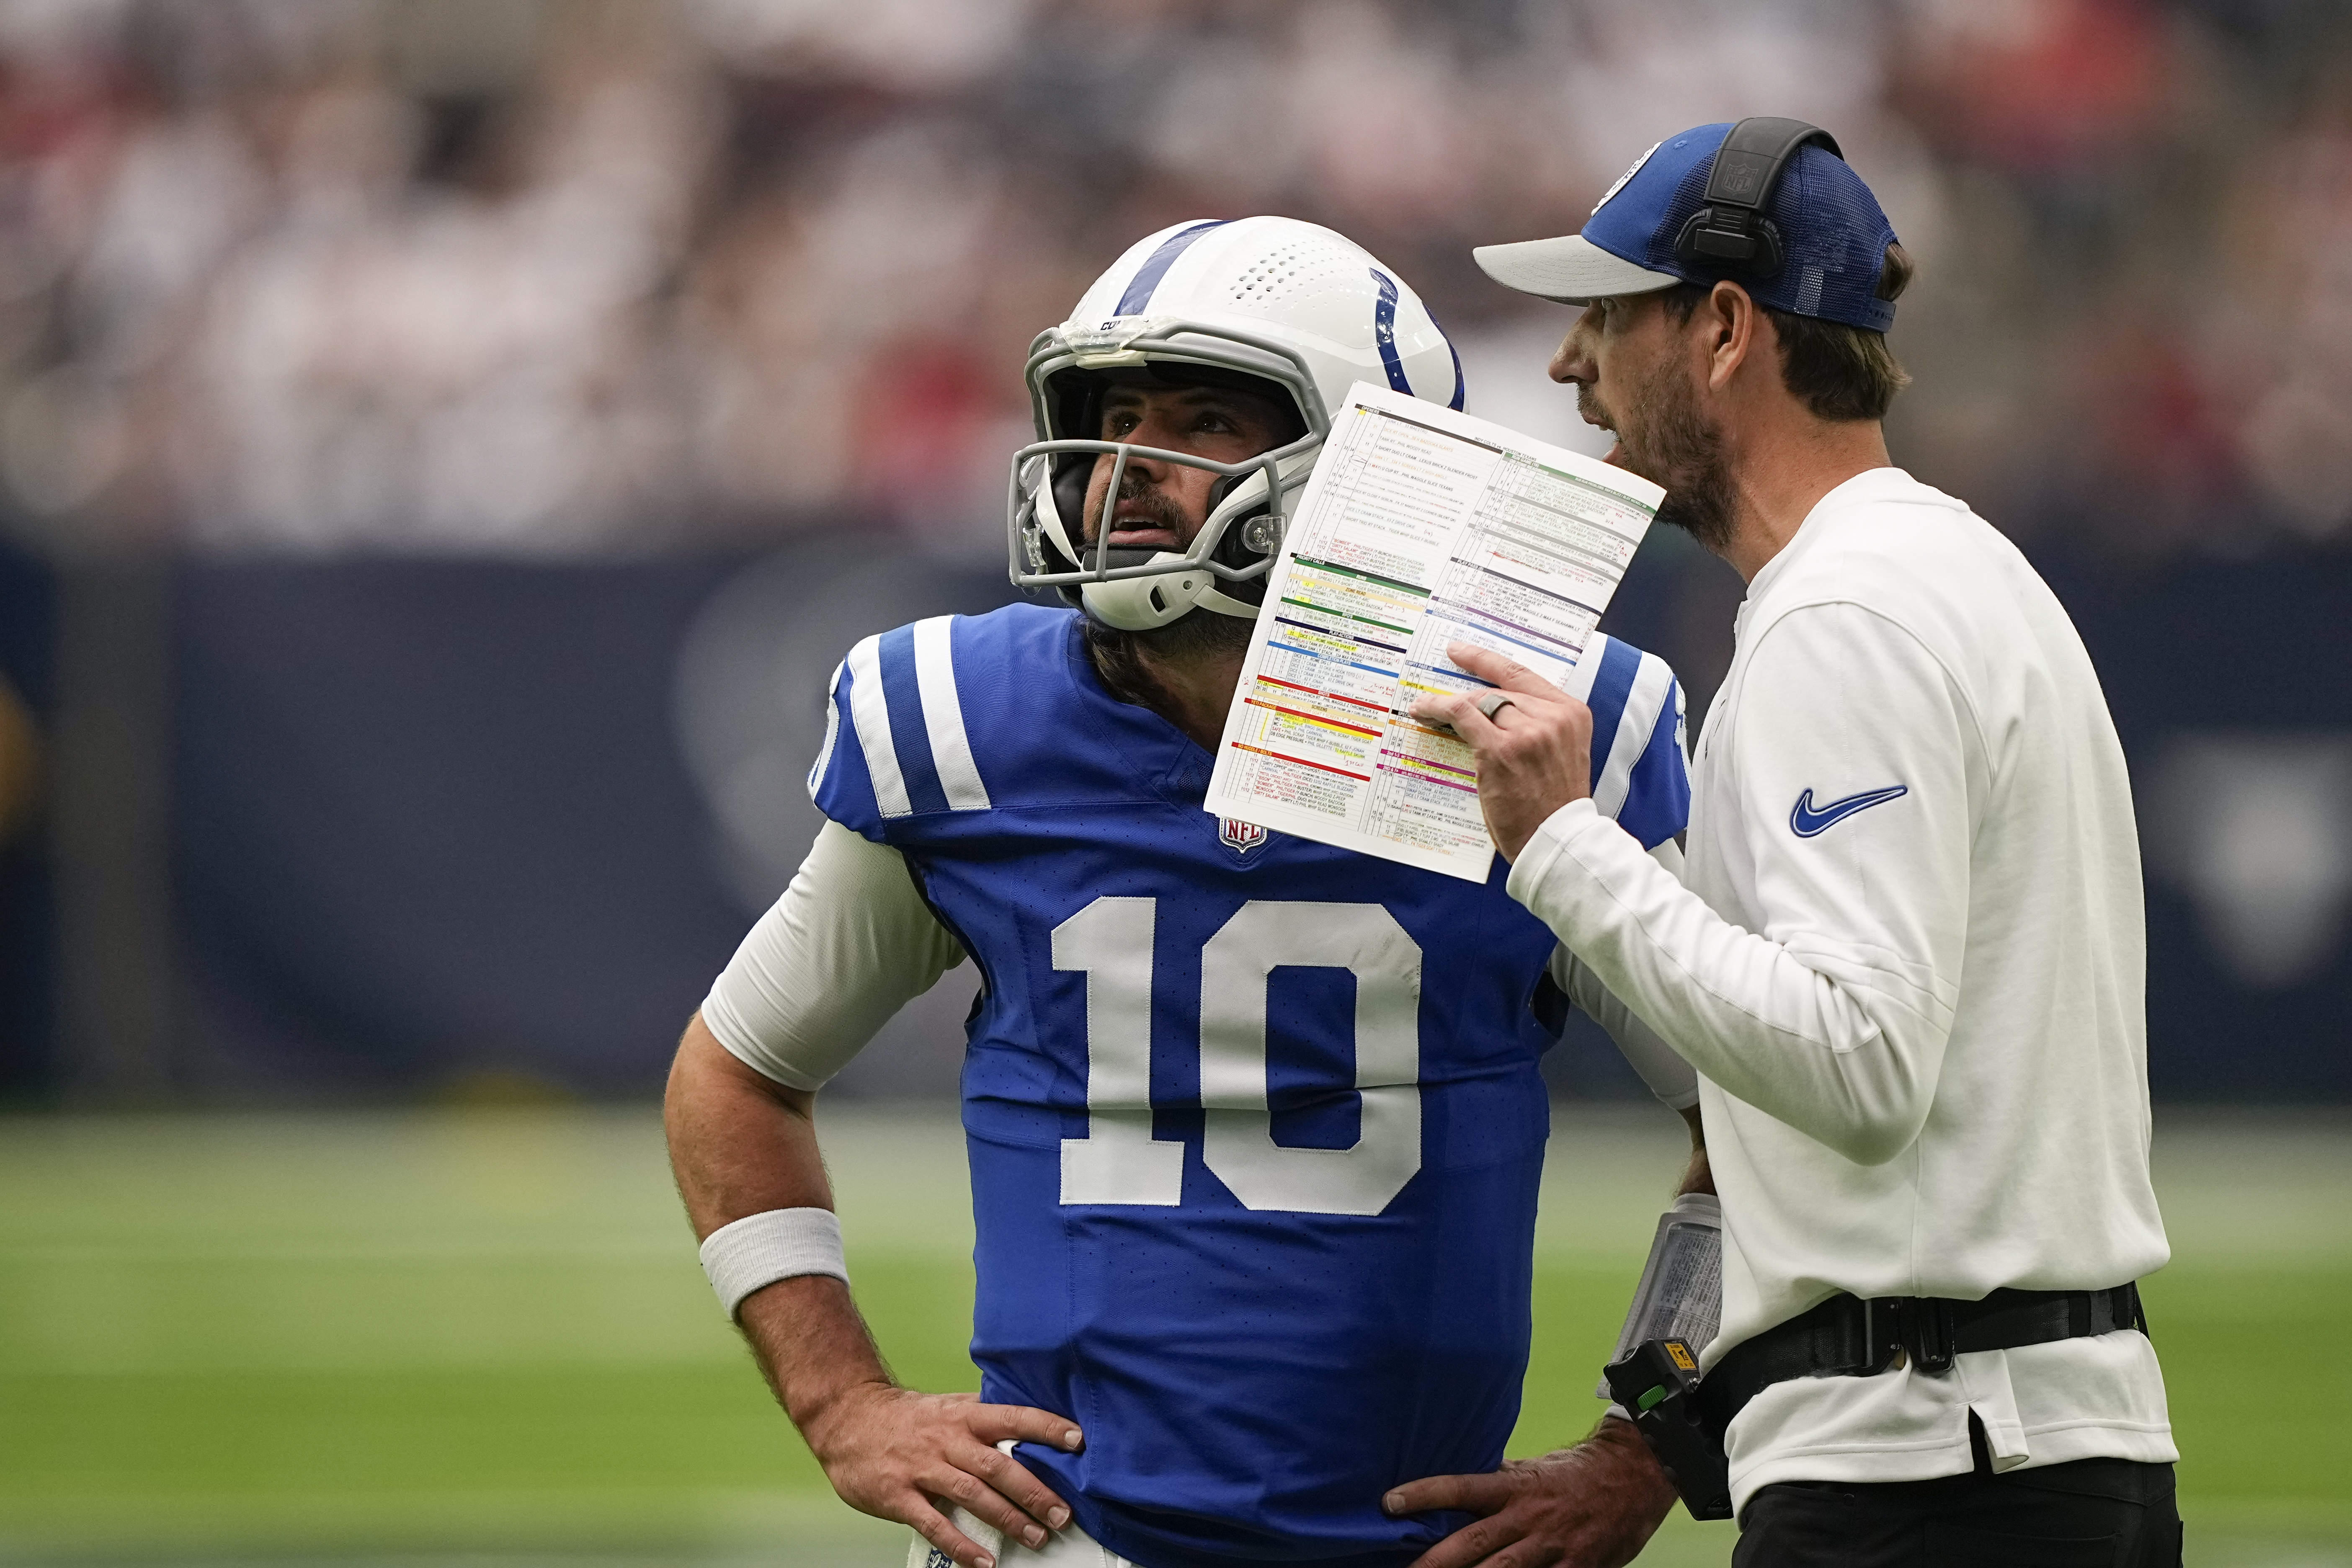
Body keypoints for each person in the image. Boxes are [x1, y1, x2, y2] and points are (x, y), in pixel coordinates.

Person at [663, 215, 1705, 1568]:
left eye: (1206, 417)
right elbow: (736, 1071)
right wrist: (841, 1402)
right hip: (1065, 1545)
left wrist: (1647, 1453)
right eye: (1110, 419)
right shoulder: (968, 724)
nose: (1125, 471)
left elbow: (1755, 1125)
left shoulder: (1549, 728)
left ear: (1375, 462)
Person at [1412, 119, 2181, 1565]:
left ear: (1720, 328)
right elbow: (1763, 1102)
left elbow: (1860, 1062)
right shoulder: (1939, 572)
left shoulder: (1848, 614)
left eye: (1605, 317)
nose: (1573, 368)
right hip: (2011, 1444)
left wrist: (1564, 843)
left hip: (1933, 1463)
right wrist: (1659, 1426)